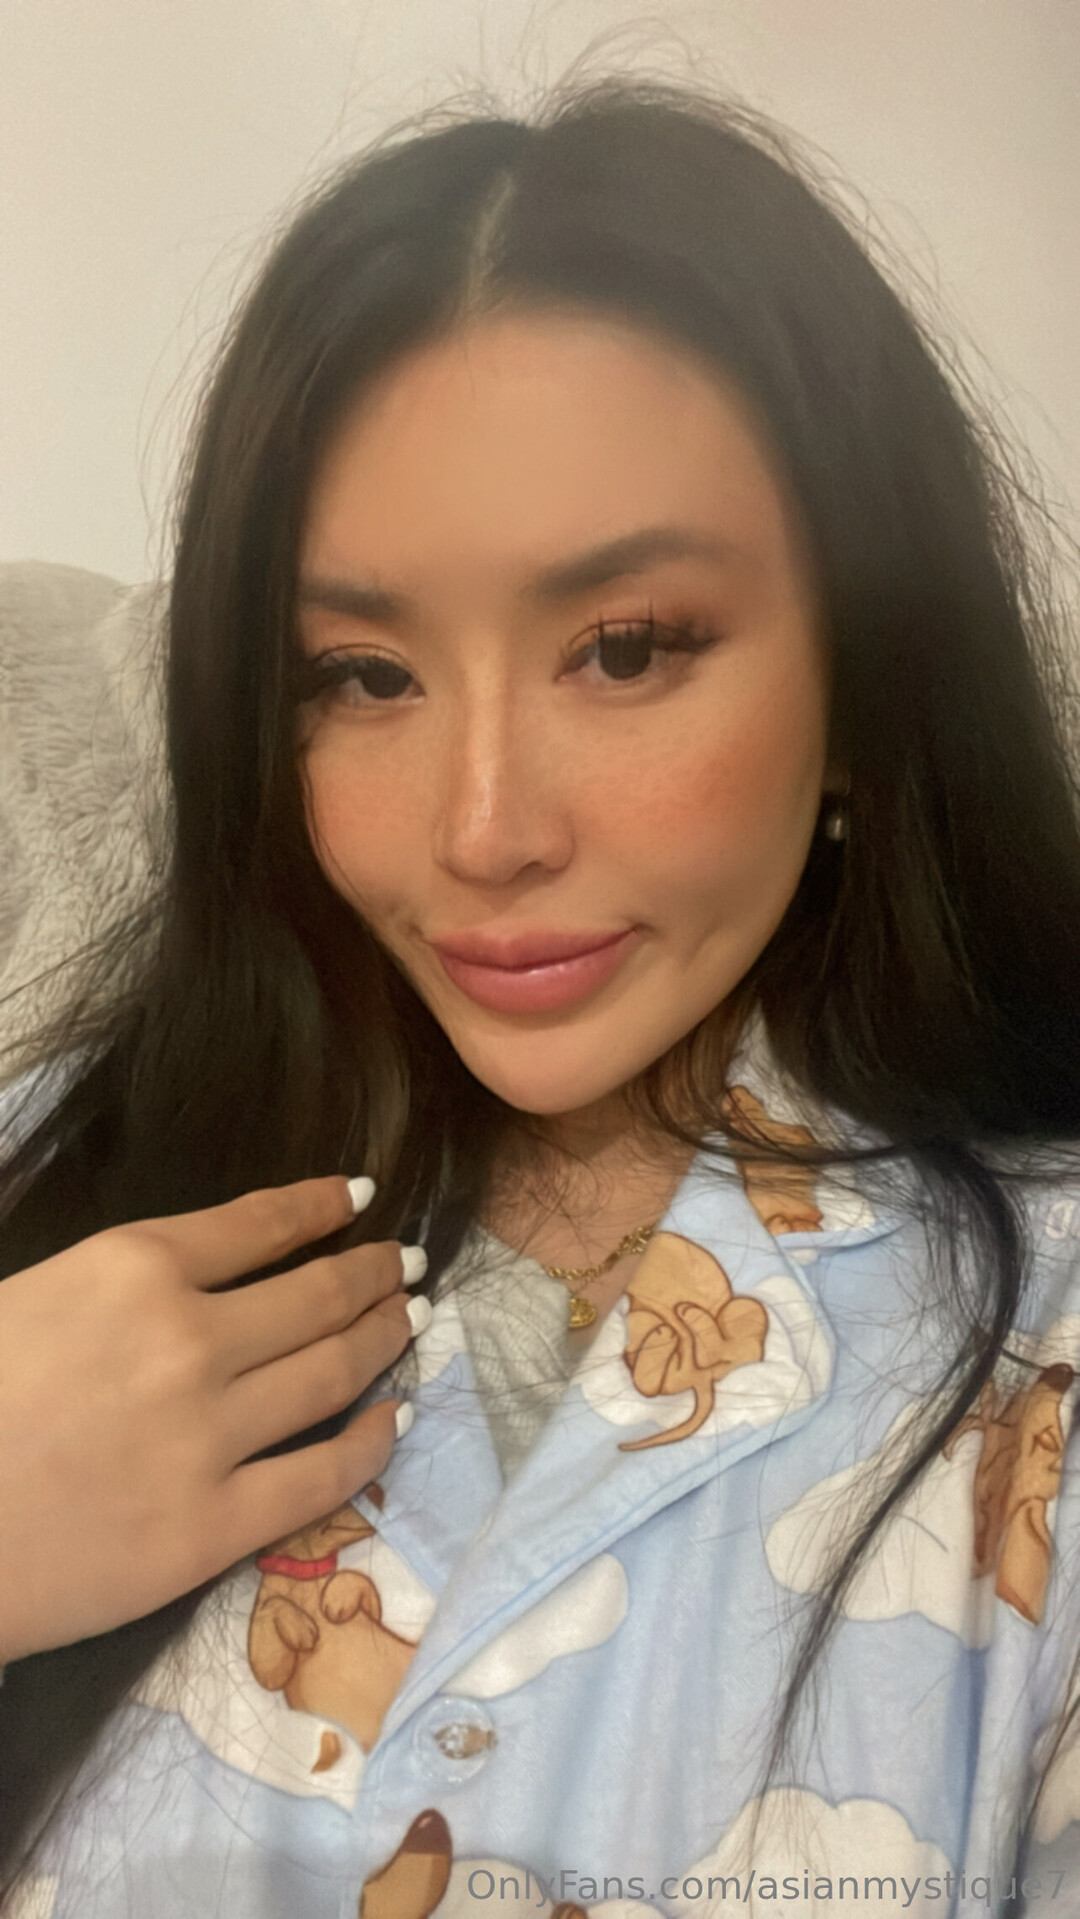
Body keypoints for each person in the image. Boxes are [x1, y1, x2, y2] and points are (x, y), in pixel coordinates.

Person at [1, 70, 1080, 1919]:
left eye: (626, 648)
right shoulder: (60, 1166)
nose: (483, 832)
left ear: (866, 678)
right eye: (361, 674)